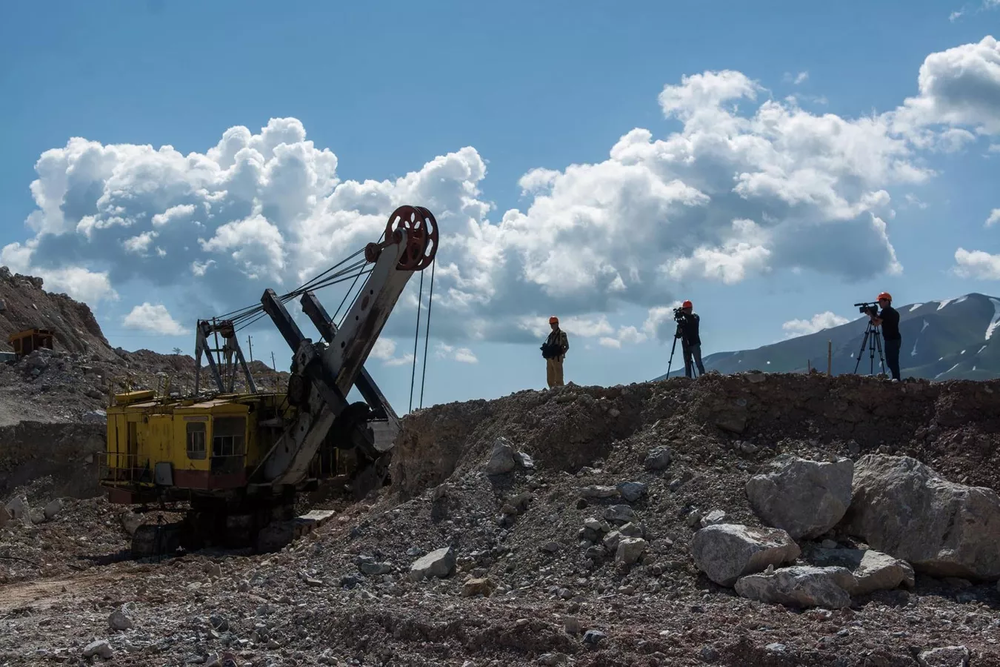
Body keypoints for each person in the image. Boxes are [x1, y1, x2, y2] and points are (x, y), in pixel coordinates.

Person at [869, 291, 901, 381]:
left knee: (891, 361)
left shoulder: (886, 311)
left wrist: (871, 314)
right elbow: (880, 320)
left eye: (881, 301)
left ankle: (896, 379)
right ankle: (896, 378)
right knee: (894, 359)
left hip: (891, 339)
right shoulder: (893, 312)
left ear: (886, 301)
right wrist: (873, 315)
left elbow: (876, 323)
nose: (879, 303)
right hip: (896, 338)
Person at [675, 300, 706, 378]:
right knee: (687, 363)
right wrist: (679, 327)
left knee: (698, 362)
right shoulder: (683, 321)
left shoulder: (695, 317)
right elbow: (678, 335)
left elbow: (692, 322)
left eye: (686, 309)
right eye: (684, 309)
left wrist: (684, 315)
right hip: (685, 344)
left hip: (694, 343)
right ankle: (688, 379)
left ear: (690, 309)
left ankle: (703, 377)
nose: (685, 311)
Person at [541, 316, 569, 388]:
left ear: (557, 323)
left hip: (557, 358)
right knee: (550, 378)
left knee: (558, 378)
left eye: (554, 323)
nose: (552, 325)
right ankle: (552, 392)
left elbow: (566, 346)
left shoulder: (562, 334)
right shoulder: (550, 335)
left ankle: (560, 391)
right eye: (551, 324)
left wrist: (561, 353)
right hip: (550, 358)